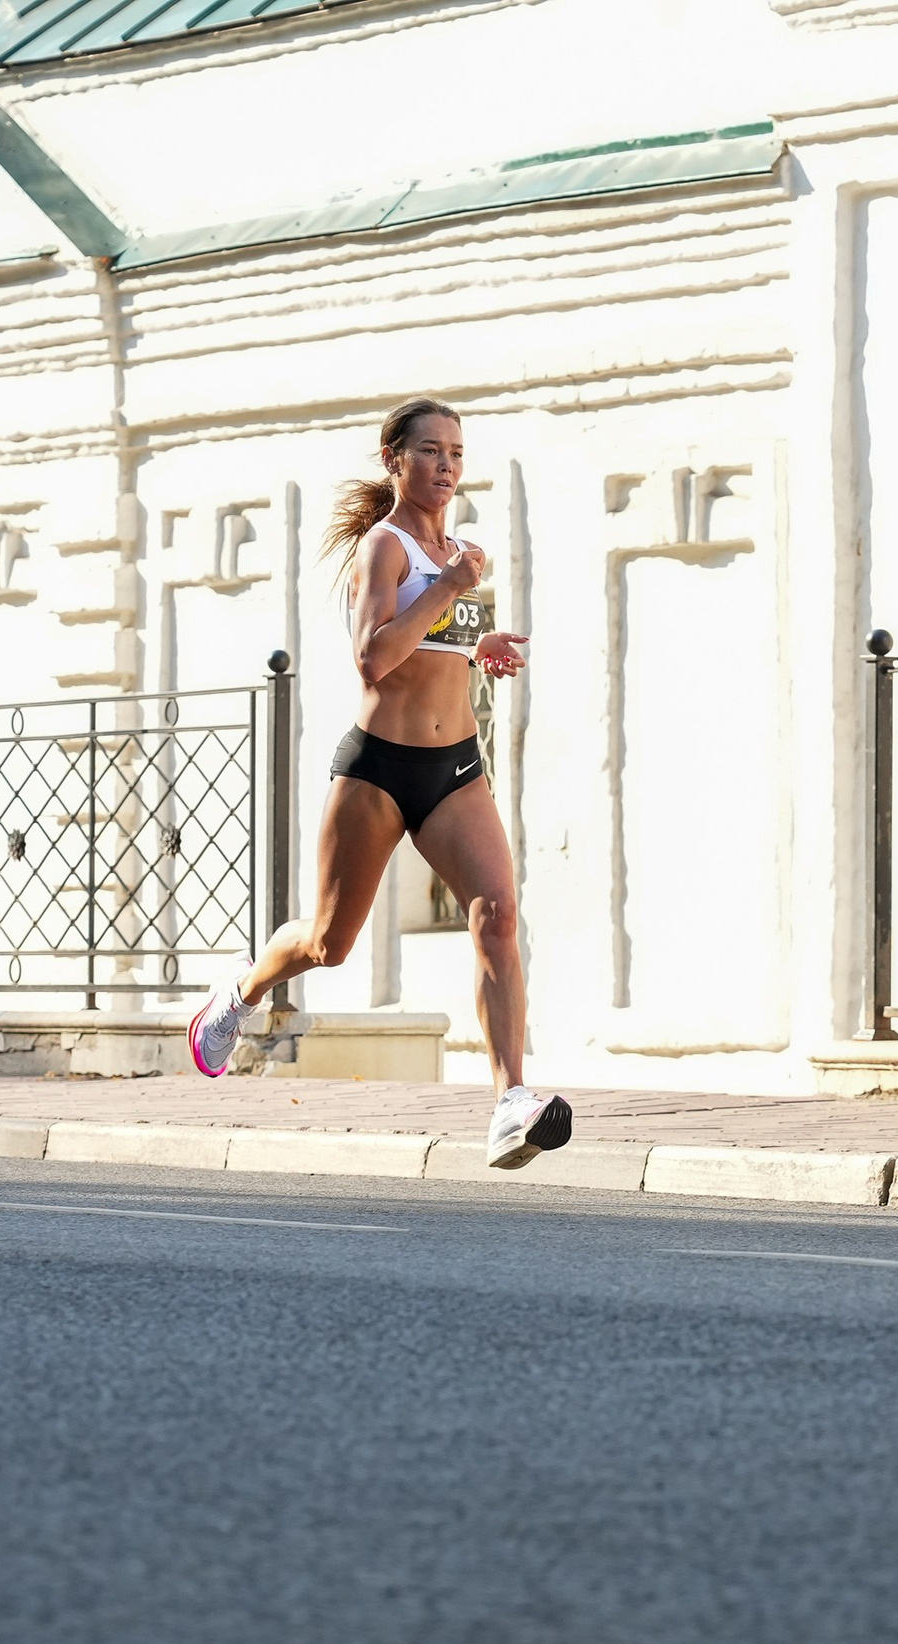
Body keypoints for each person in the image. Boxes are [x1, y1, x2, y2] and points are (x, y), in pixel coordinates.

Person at [187, 398, 572, 1167]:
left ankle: (508, 1101)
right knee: (329, 944)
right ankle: (239, 996)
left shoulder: (457, 549)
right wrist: (450, 589)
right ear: (395, 459)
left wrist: (477, 640)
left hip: (455, 767)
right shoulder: (384, 547)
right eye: (431, 450)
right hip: (380, 771)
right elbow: (373, 656)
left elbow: (431, 641)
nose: (447, 466)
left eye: (457, 452)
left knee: (497, 912)